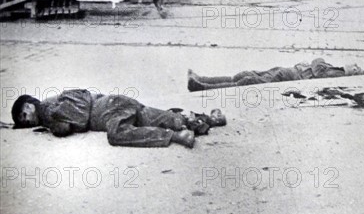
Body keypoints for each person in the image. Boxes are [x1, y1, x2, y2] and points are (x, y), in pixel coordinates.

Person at [11, 89, 227, 149]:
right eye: (23, 121)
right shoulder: (54, 103)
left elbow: (75, 122)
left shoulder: (49, 108)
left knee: (117, 135)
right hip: (115, 103)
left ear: (29, 105)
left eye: (24, 115)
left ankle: (176, 136)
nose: (26, 120)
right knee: (154, 117)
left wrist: (54, 126)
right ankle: (209, 118)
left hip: (109, 110)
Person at [188, 58, 364, 91]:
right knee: (246, 74)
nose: (355, 65)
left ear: (352, 74)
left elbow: (317, 66)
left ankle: (201, 86)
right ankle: (202, 79)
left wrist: (317, 62)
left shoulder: (337, 76)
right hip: (289, 72)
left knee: (249, 81)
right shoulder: (337, 70)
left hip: (289, 76)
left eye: (356, 68)